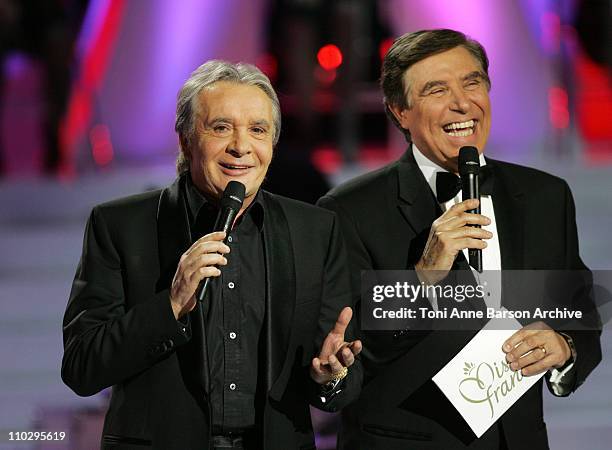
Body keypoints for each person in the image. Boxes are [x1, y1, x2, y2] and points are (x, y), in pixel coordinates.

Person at [318, 29, 601, 449]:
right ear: (400, 111)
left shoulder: (545, 196)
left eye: (472, 83)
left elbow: (578, 311)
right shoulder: (348, 211)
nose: (462, 103)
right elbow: (346, 356)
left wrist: (565, 347)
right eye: (437, 90)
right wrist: (423, 275)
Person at [62, 60, 363, 450]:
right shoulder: (121, 225)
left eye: (257, 130)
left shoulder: (315, 230)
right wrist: (170, 306)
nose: (241, 146)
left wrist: (331, 376)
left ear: (272, 143)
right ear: (186, 140)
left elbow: (342, 376)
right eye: (220, 128)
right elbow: (81, 367)